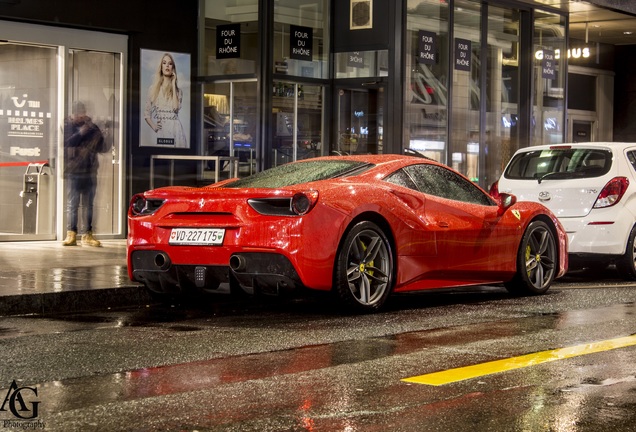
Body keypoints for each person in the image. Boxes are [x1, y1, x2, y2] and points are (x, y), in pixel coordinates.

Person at [62, 101, 109, 247]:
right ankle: (71, 234)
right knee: (73, 204)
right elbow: (67, 143)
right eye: (78, 113)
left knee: (89, 204)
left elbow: (103, 148)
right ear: (73, 114)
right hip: (74, 171)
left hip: (89, 171)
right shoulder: (69, 126)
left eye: (82, 113)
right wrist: (81, 132)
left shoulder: (92, 127)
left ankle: (88, 234)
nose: (80, 116)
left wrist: (104, 135)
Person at [144, 53, 187, 147]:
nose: (167, 65)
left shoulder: (178, 91)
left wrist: (173, 83)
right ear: (161, 67)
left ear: (173, 68)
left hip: (176, 130)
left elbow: (175, 108)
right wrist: (154, 127)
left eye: (170, 63)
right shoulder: (153, 89)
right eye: (164, 63)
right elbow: (146, 114)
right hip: (162, 131)